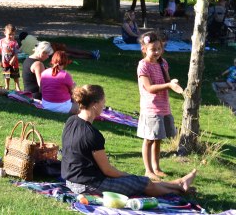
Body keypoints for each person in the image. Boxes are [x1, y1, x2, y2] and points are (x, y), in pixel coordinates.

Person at [62, 84, 198, 196]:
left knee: (141, 181)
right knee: (141, 182)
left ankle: (178, 184)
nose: (104, 105)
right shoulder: (92, 135)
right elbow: (107, 170)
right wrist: (127, 175)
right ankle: (178, 190)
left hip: (71, 180)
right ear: (95, 104)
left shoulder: (71, 121)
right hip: (89, 185)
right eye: (103, 102)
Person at [137, 31, 184, 181]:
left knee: (158, 139)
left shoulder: (163, 63)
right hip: (151, 108)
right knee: (149, 139)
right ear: (144, 49)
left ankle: (156, 168)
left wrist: (173, 84)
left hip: (164, 106)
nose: (157, 52)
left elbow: (167, 81)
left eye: (159, 48)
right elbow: (149, 88)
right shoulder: (143, 66)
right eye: (153, 49)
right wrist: (168, 85)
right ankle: (148, 170)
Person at [19, 32, 99, 60]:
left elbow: (19, 52)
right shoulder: (29, 36)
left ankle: (91, 57)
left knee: (70, 55)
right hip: (50, 44)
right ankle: (92, 53)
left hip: (47, 51)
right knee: (71, 49)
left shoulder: (22, 47)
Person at [0, 24, 21, 91]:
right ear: (5, 33)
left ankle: (17, 86)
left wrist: (13, 59)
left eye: (13, 34)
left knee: (15, 75)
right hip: (5, 62)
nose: (11, 36)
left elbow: (16, 53)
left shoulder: (15, 43)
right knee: (6, 75)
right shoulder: (1, 41)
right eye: (10, 34)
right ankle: (7, 86)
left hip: (14, 63)